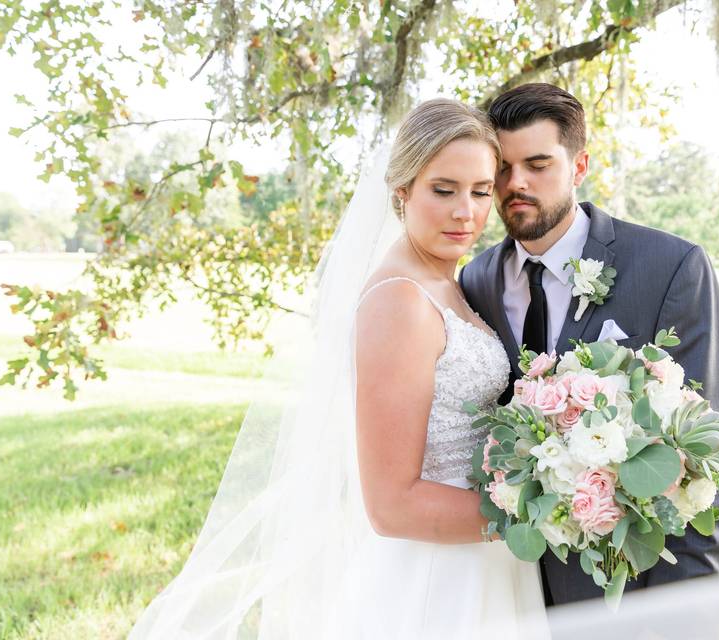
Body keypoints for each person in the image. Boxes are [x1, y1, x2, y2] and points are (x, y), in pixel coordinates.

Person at [127, 98, 549, 639]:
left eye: (479, 191)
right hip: (438, 579)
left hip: (485, 558)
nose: (464, 212)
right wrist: (547, 513)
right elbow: (392, 506)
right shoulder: (399, 300)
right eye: (443, 190)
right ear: (403, 193)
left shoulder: (448, 283)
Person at [459, 82, 719, 607]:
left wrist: (683, 620)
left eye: (538, 164)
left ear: (579, 165)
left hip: (620, 593)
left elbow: (709, 464)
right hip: (500, 586)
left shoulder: (670, 269)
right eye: (503, 167)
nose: (515, 183)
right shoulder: (475, 279)